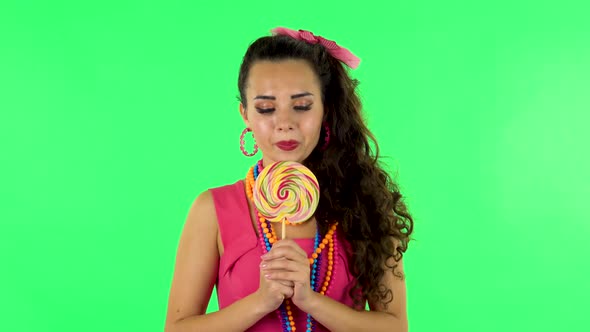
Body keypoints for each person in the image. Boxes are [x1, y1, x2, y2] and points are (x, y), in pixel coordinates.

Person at [164, 27, 414, 332]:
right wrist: (261, 301)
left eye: (302, 106)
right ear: (245, 114)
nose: (284, 123)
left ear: (325, 109)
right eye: (266, 108)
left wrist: (310, 300)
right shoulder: (213, 210)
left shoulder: (365, 202)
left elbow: (395, 327)